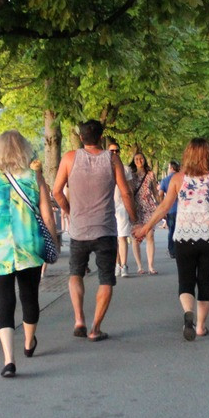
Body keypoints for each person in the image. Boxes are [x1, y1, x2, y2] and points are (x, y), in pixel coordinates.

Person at [0, 131, 57, 377]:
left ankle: (9, 359)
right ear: (24, 150)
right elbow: (48, 215)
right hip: (28, 246)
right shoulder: (34, 177)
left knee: (4, 301)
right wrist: (52, 241)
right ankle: (29, 343)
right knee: (29, 297)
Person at [135, 139, 209, 340]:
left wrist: (146, 227)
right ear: (207, 156)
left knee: (186, 281)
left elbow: (164, 207)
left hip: (184, 237)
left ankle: (188, 313)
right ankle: (200, 326)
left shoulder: (177, 179)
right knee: (205, 281)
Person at [52, 119, 136, 342]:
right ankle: (95, 328)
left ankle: (79, 319)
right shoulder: (112, 160)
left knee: (75, 274)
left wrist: (69, 211)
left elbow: (56, 191)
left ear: (81, 137)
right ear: (101, 137)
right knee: (106, 279)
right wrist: (135, 220)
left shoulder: (70, 158)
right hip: (105, 229)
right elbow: (126, 193)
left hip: (79, 230)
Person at [107, 140, 135, 278]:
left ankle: (124, 265)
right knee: (113, 238)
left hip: (122, 205)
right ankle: (117, 263)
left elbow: (129, 189)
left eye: (117, 150)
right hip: (108, 206)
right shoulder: (103, 168)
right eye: (112, 151)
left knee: (122, 236)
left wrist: (132, 209)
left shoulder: (126, 169)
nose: (114, 153)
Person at [130, 151, 160, 274]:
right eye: (136, 159)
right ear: (134, 161)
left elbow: (155, 192)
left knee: (150, 235)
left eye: (141, 158)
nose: (139, 161)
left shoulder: (150, 174)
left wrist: (161, 204)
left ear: (144, 160)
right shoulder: (131, 175)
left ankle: (150, 266)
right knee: (136, 237)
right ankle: (139, 266)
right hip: (136, 209)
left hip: (149, 207)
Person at [158, 160, 180, 259]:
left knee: (171, 230)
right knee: (181, 230)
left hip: (170, 209)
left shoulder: (165, 180)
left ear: (171, 168)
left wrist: (162, 206)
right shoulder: (181, 178)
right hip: (182, 209)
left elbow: (160, 195)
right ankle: (181, 249)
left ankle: (172, 251)